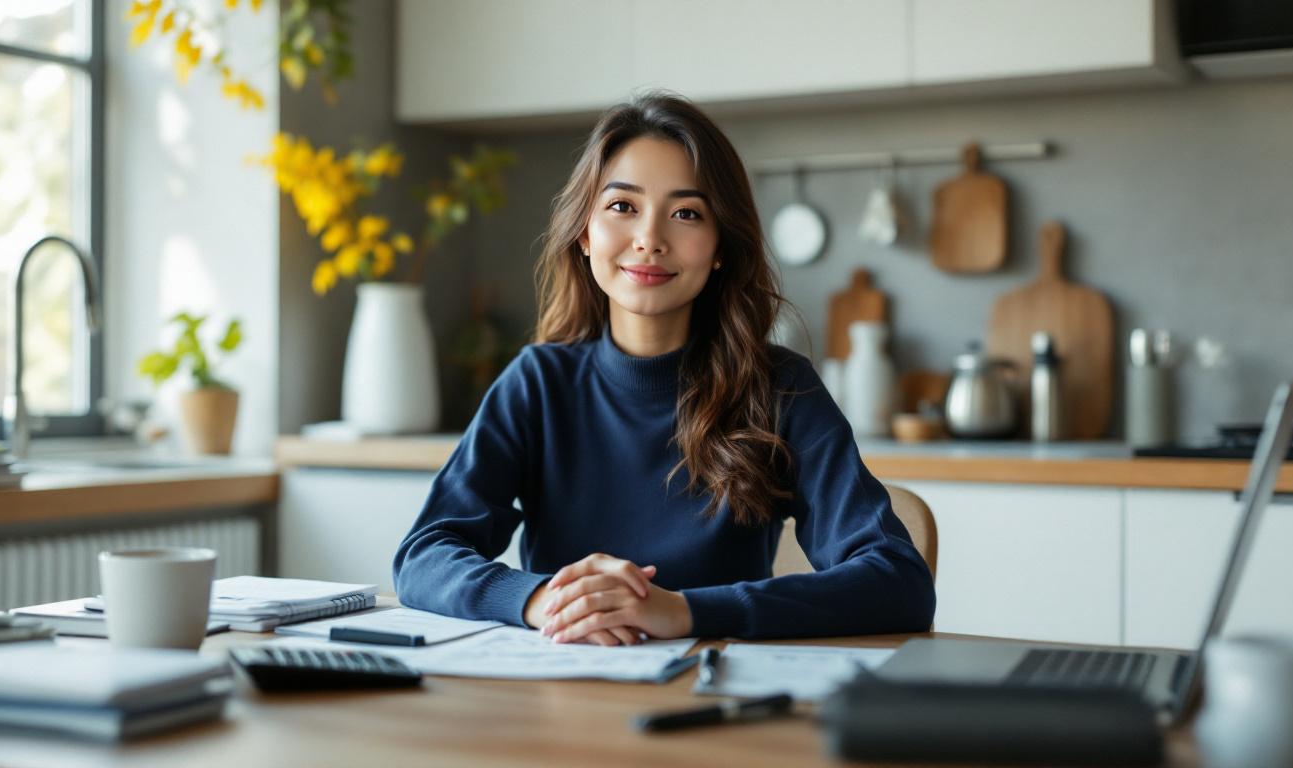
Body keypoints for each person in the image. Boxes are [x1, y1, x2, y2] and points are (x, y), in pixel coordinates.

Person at [393, 93, 935, 645]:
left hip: (714, 700)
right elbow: (424, 557)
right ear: (585, 233)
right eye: (622, 207)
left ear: (720, 245)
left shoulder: (779, 387)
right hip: (561, 693)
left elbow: (899, 583)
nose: (650, 239)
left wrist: (684, 612)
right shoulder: (538, 384)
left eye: (686, 213)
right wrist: (540, 600)